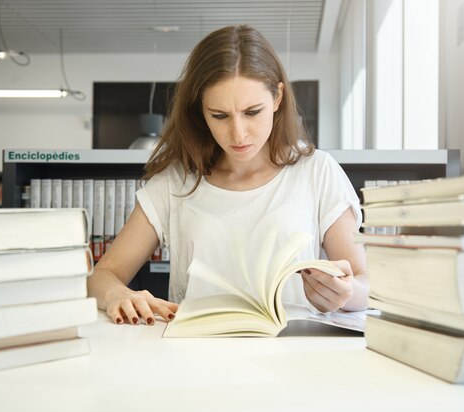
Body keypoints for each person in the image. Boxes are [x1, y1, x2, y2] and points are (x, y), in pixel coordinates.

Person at [87, 24, 369, 326]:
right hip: (198, 353)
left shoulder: (318, 171)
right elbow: (102, 277)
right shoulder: (175, 181)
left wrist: (346, 293)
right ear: (200, 110)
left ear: (277, 98)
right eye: (219, 116)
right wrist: (117, 294)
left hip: (294, 352)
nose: (238, 133)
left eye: (252, 112)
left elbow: (365, 284)